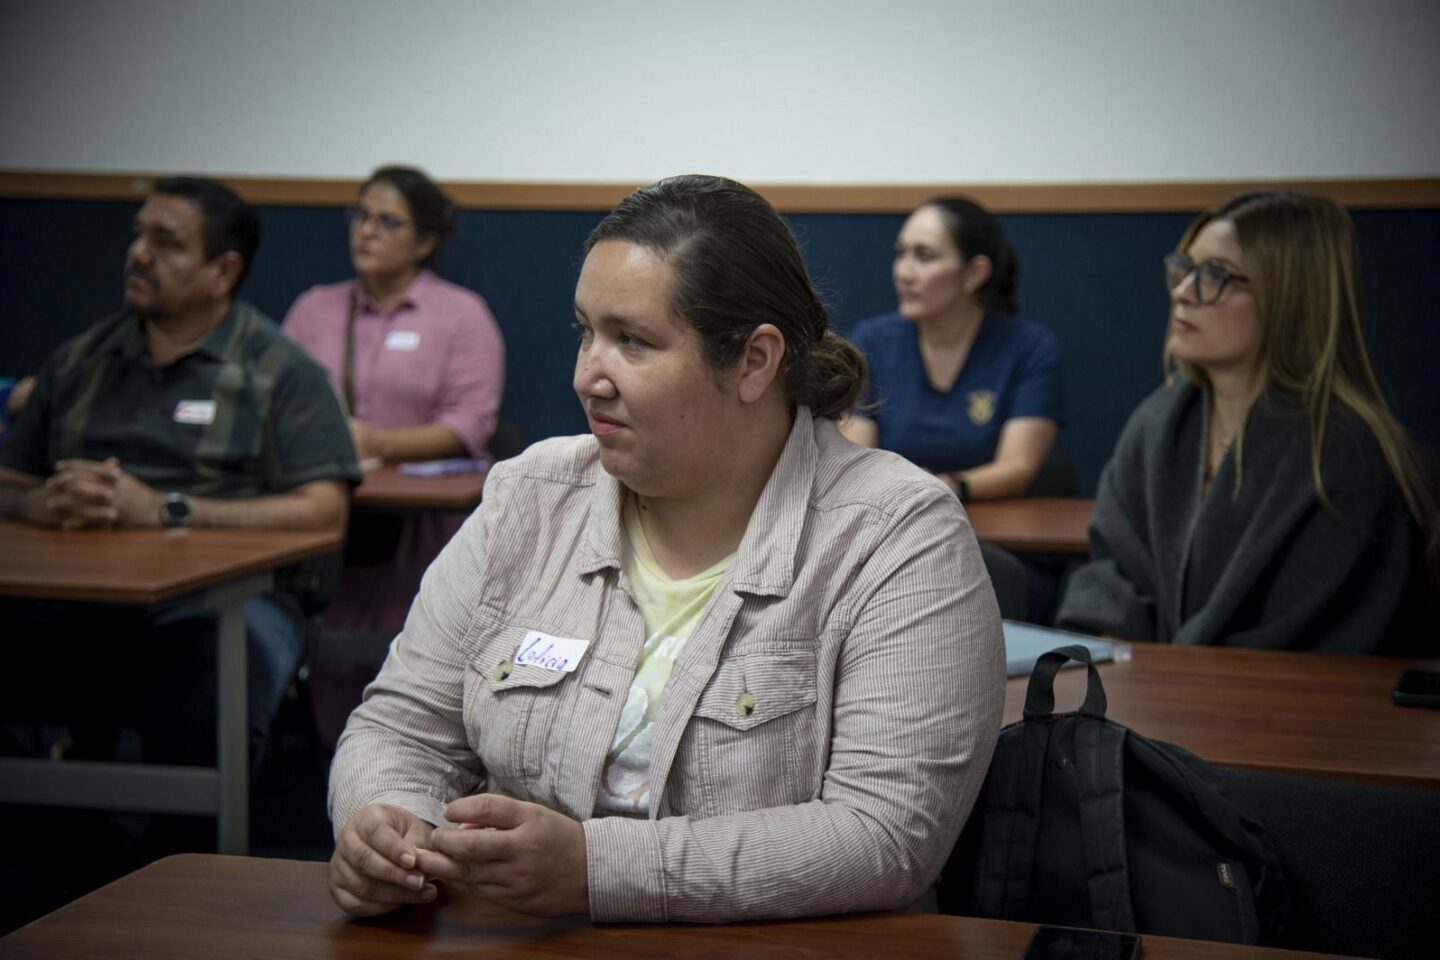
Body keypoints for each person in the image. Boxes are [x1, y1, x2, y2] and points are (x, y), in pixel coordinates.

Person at [327, 175, 1005, 923]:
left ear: (753, 362)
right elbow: (399, 728)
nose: (587, 374)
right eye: (585, 331)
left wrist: (595, 871)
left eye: (633, 341)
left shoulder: (899, 536)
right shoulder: (530, 496)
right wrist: (386, 821)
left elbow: (883, 836)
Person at [0, 176, 360, 769]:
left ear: (223, 272)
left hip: (215, 604)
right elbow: (8, 481)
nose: (138, 254)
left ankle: (174, 848)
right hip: (71, 596)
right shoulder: (79, 361)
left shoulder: (279, 372)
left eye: (166, 243)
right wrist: (38, 503)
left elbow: (324, 510)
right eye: (137, 235)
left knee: (205, 677)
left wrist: (165, 508)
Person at [1057, 190, 1436, 653]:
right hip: (1148, 701)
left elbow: (1315, 642)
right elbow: (1112, 571)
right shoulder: (1160, 422)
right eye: (1185, 268)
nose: (1183, 292)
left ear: (1289, 297)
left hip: (1276, 712)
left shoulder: (1342, 453)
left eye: (1215, 275)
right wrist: (1118, 672)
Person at [282, 166, 505, 742]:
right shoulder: (314, 309)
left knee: (422, 657)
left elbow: (469, 422)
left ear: (425, 240)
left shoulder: (461, 314)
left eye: (388, 221)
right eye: (361, 216)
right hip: (331, 522)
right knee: (330, 656)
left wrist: (375, 443)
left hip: (424, 529)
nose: (367, 232)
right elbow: (276, 405)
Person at [840, 197, 1062, 502]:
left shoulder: (1029, 347)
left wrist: (943, 488)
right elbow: (858, 459)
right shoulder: (872, 341)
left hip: (988, 523)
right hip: (894, 519)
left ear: (974, 273)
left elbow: (1017, 467)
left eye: (925, 256)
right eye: (901, 254)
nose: (904, 272)